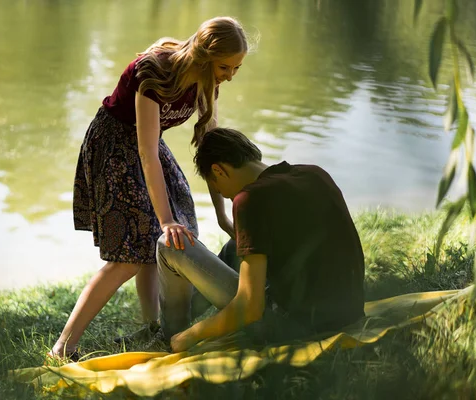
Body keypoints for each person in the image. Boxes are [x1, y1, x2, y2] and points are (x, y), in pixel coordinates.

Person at [49, 17, 249, 359]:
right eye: (225, 67)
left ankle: (151, 326)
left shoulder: (207, 80)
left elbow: (211, 147)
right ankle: (62, 348)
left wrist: (221, 214)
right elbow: (145, 152)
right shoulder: (154, 73)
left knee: (165, 240)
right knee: (130, 254)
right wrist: (165, 218)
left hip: (148, 147)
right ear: (203, 57)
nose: (230, 75)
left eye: (236, 68)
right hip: (115, 144)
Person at [156, 127, 365, 352]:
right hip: (347, 313)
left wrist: (192, 336)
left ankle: (170, 335)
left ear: (218, 170)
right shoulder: (315, 174)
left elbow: (250, 307)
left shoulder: (249, 199)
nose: (225, 195)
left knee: (169, 245)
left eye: (218, 188)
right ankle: (175, 320)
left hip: (291, 327)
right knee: (234, 247)